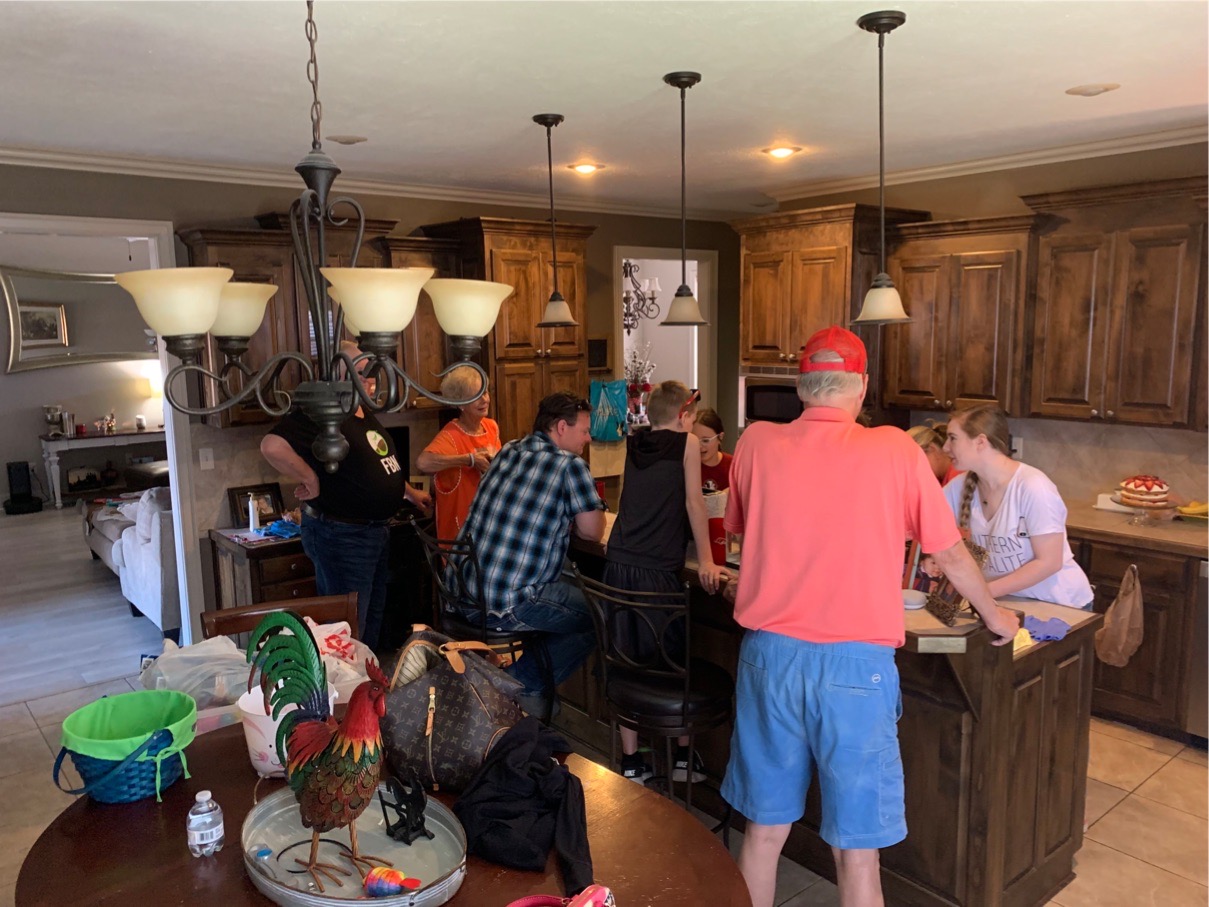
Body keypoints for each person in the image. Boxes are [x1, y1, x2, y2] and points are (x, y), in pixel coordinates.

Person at [719, 326, 1019, 907]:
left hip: (769, 657)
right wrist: (995, 615)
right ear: (859, 386)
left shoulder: (755, 441)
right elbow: (950, 553)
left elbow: (739, 528)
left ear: (802, 388)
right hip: (855, 669)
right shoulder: (895, 449)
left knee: (763, 832)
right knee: (856, 852)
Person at [260, 343, 433, 650]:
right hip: (342, 535)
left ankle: (364, 680)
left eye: (371, 372)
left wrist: (407, 492)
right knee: (346, 631)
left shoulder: (360, 410)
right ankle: (345, 682)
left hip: (372, 532)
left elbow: (376, 461)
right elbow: (272, 445)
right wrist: (310, 478)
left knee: (369, 624)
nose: (370, 380)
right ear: (336, 374)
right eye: (360, 372)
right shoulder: (321, 411)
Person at [603, 381, 731, 784]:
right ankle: (682, 760)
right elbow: (694, 503)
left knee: (625, 659)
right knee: (671, 660)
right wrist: (707, 561)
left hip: (620, 562)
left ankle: (631, 762)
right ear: (683, 416)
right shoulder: (687, 444)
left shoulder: (635, 442)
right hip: (658, 568)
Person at [456, 391, 606, 718]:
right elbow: (593, 532)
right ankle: (520, 684)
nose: (588, 438)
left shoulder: (509, 450)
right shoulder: (570, 466)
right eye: (584, 430)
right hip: (507, 604)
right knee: (602, 614)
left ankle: (532, 695)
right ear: (561, 427)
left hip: (463, 593)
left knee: (566, 594)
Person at [942, 404, 1094, 608]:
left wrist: (982, 593)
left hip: (1058, 603)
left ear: (980, 441)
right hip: (1007, 601)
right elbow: (924, 521)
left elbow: (1049, 562)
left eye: (952, 438)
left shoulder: (1033, 486)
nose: (945, 447)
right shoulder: (958, 487)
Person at [416, 365, 502, 541]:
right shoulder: (451, 435)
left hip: (488, 522)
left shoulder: (491, 426)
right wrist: (469, 459)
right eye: (476, 396)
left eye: (485, 392)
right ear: (460, 404)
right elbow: (422, 463)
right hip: (461, 531)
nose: (484, 400)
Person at [692, 407, 732, 492]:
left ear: (720, 437)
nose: (699, 446)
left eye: (705, 440)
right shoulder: (688, 465)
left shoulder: (733, 465)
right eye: (695, 440)